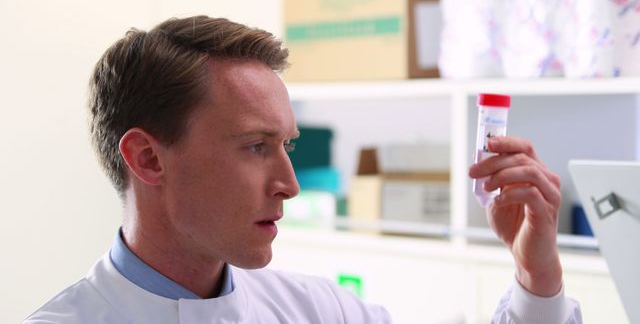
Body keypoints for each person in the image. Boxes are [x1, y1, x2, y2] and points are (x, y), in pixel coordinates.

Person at [24, 16, 582, 323]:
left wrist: (538, 277)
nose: (290, 184)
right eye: (254, 146)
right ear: (148, 158)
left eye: (286, 144)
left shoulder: (321, 310)